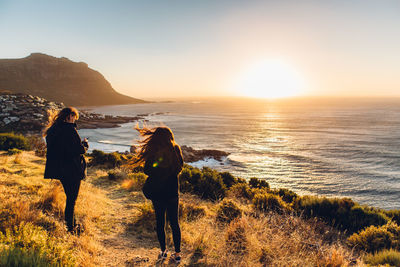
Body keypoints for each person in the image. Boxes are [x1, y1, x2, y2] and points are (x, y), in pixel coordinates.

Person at [135, 126, 184, 263]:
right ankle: (178, 254)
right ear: (170, 136)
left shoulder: (153, 151)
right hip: (172, 192)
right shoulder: (175, 149)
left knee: (160, 222)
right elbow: (180, 168)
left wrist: (157, 171)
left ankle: (163, 252)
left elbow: (147, 170)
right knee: (175, 223)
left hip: (158, 193)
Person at [43, 107, 88, 234]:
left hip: (59, 170)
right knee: (72, 199)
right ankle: (71, 228)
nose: (74, 119)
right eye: (74, 117)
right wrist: (85, 144)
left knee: (70, 198)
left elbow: (58, 149)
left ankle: (72, 224)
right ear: (69, 116)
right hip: (72, 170)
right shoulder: (70, 130)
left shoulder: (52, 130)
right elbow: (79, 150)